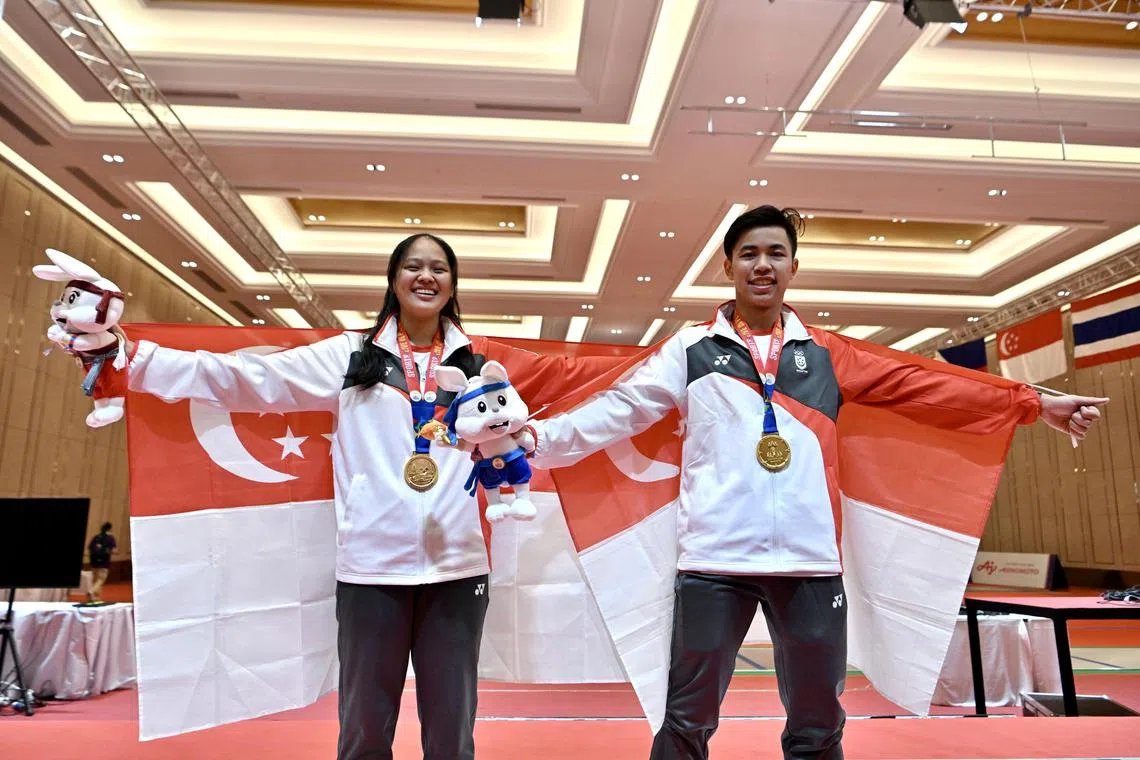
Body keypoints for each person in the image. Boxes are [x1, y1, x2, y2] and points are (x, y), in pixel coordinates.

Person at [527, 205, 1108, 760]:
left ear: (793, 268)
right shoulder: (690, 349)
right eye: (749, 253)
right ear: (726, 267)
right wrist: (536, 439)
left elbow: (926, 384)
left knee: (819, 728)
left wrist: (1035, 401)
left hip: (809, 566)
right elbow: (620, 408)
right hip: (713, 564)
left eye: (776, 253)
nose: (762, 265)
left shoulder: (828, 354)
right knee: (686, 721)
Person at [122, 233, 624, 760]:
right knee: (363, 730)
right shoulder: (349, 356)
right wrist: (133, 359)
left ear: (453, 285)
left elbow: (579, 384)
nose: (426, 277)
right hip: (370, 571)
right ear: (393, 279)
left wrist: (673, 367)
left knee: (452, 736)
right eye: (413, 266)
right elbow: (246, 378)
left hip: (457, 569)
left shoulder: (483, 364)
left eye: (439, 269)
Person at [87, 521, 117, 602]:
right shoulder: (110, 538)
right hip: (104, 562)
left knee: (95, 579)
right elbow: (114, 550)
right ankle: (92, 591)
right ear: (110, 528)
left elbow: (90, 548)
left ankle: (95, 598)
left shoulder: (96, 537)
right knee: (101, 579)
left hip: (93, 561)